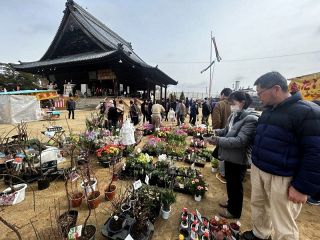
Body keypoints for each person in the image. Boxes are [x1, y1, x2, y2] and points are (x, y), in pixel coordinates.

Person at [242, 72, 320, 240]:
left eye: (260, 92)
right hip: (259, 169)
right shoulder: (269, 111)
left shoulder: (307, 112)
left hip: (282, 177)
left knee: (283, 223)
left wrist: (302, 188)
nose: (259, 97)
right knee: (259, 207)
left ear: (276, 89)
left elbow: (315, 153)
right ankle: (260, 234)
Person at [208, 91, 258, 219]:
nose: (231, 105)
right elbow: (226, 131)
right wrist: (215, 132)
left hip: (238, 158)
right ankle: (231, 202)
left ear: (242, 102)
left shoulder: (250, 119)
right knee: (230, 183)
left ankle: (234, 211)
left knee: (236, 186)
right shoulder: (233, 115)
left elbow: (241, 141)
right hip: (229, 156)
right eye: (230, 103)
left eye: (233, 103)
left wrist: (218, 140)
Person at [211, 88, 233, 184]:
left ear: (223, 95)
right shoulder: (234, 105)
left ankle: (223, 175)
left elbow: (216, 121)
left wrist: (216, 134)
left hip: (223, 133)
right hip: (233, 135)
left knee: (221, 153)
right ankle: (228, 173)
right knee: (230, 154)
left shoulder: (219, 104)